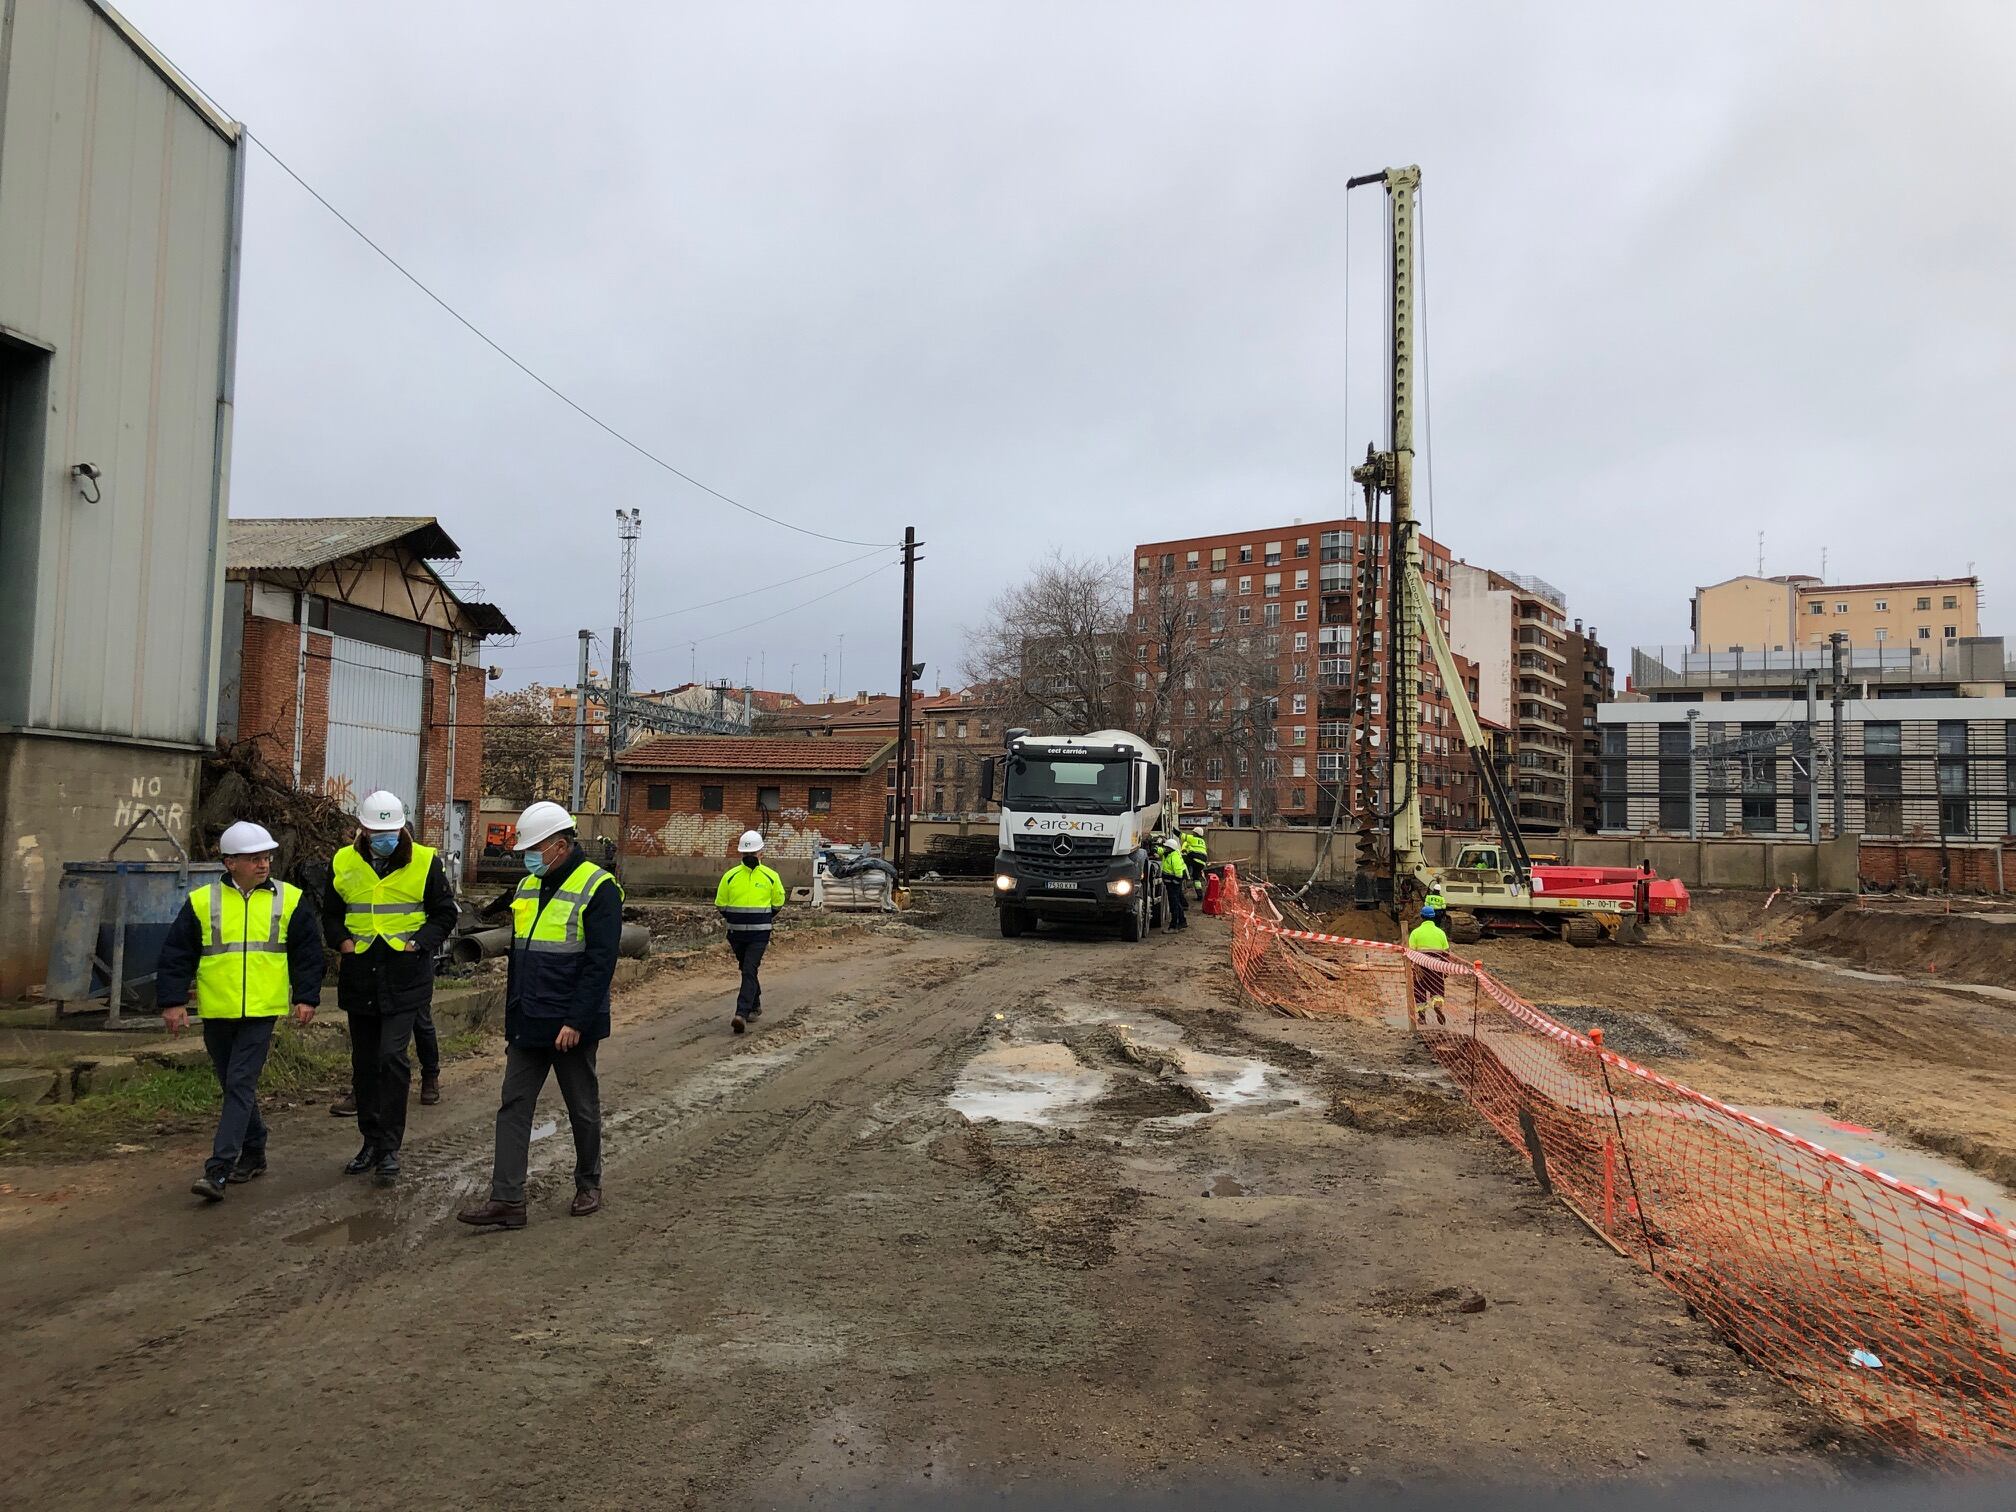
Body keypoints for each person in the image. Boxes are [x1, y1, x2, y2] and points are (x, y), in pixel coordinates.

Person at [459, 802, 621, 1229]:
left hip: (570, 1022)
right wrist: (513, 1014)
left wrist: (576, 1021)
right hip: (528, 1016)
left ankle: (589, 1183)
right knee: (513, 1105)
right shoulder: (528, 885)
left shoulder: (599, 887)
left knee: (581, 1106)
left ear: (560, 846)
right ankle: (507, 1199)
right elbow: (522, 954)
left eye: (534, 849)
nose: (528, 857)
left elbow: (600, 963)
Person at [155, 821, 323, 1202]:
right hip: (218, 1009)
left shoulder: (290, 899)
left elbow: (308, 953)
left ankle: (218, 1170)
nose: (264, 864)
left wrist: (307, 997)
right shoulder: (203, 902)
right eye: (254, 858)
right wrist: (173, 1002)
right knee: (233, 1084)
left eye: (266, 857)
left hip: (262, 1011)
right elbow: (177, 954)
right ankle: (255, 1147)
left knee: (240, 1083)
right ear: (230, 863)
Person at [323, 790, 458, 1184]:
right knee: (365, 1064)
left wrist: (419, 943)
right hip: (361, 974)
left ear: (402, 829)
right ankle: (370, 1141)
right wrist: (342, 942)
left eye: (392, 832)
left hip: (405, 974)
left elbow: (444, 913)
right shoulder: (343, 861)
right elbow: (331, 914)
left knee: (391, 1058)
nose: (386, 839)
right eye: (378, 833)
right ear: (363, 830)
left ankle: (389, 1149)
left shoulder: (425, 861)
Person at [716, 830, 785, 1034]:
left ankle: (741, 1013)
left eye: (753, 853)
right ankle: (755, 1004)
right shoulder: (730, 877)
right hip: (736, 935)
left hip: (759, 935)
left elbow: (778, 902)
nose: (750, 857)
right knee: (747, 969)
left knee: (748, 969)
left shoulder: (770, 876)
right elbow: (721, 903)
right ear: (741, 854)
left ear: (761, 853)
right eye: (747, 854)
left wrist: (760, 919)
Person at [1406, 903, 1452, 1025]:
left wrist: (1413, 967)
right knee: (1437, 989)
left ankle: (1422, 1017)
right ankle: (1437, 1006)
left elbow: (1411, 952)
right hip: (1436, 966)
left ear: (1422, 917)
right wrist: (1446, 969)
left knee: (1419, 990)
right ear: (1433, 917)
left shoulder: (1415, 933)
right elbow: (1446, 952)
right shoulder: (1441, 933)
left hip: (1421, 966)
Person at [1158, 836, 1189, 931]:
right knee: (1177, 903)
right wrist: (1157, 847)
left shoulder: (1174, 857)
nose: (1165, 849)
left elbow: (1178, 874)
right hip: (1172, 884)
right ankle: (1182, 922)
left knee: (1174, 904)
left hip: (1173, 884)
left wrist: (1174, 882)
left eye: (1166, 847)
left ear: (1170, 848)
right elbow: (1161, 851)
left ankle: (1174, 926)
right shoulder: (1170, 854)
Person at [1181, 827, 1209, 892]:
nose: (1192, 834)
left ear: (1196, 833)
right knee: (1196, 877)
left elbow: (1181, 835)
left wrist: (1173, 830)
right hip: (1202, 862)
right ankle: (1199, 893)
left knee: (1182, 860)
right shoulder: (1202, 842)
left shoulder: (1192, 839)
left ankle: (1187, 877)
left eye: (1194, 833)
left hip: (1195, 859)